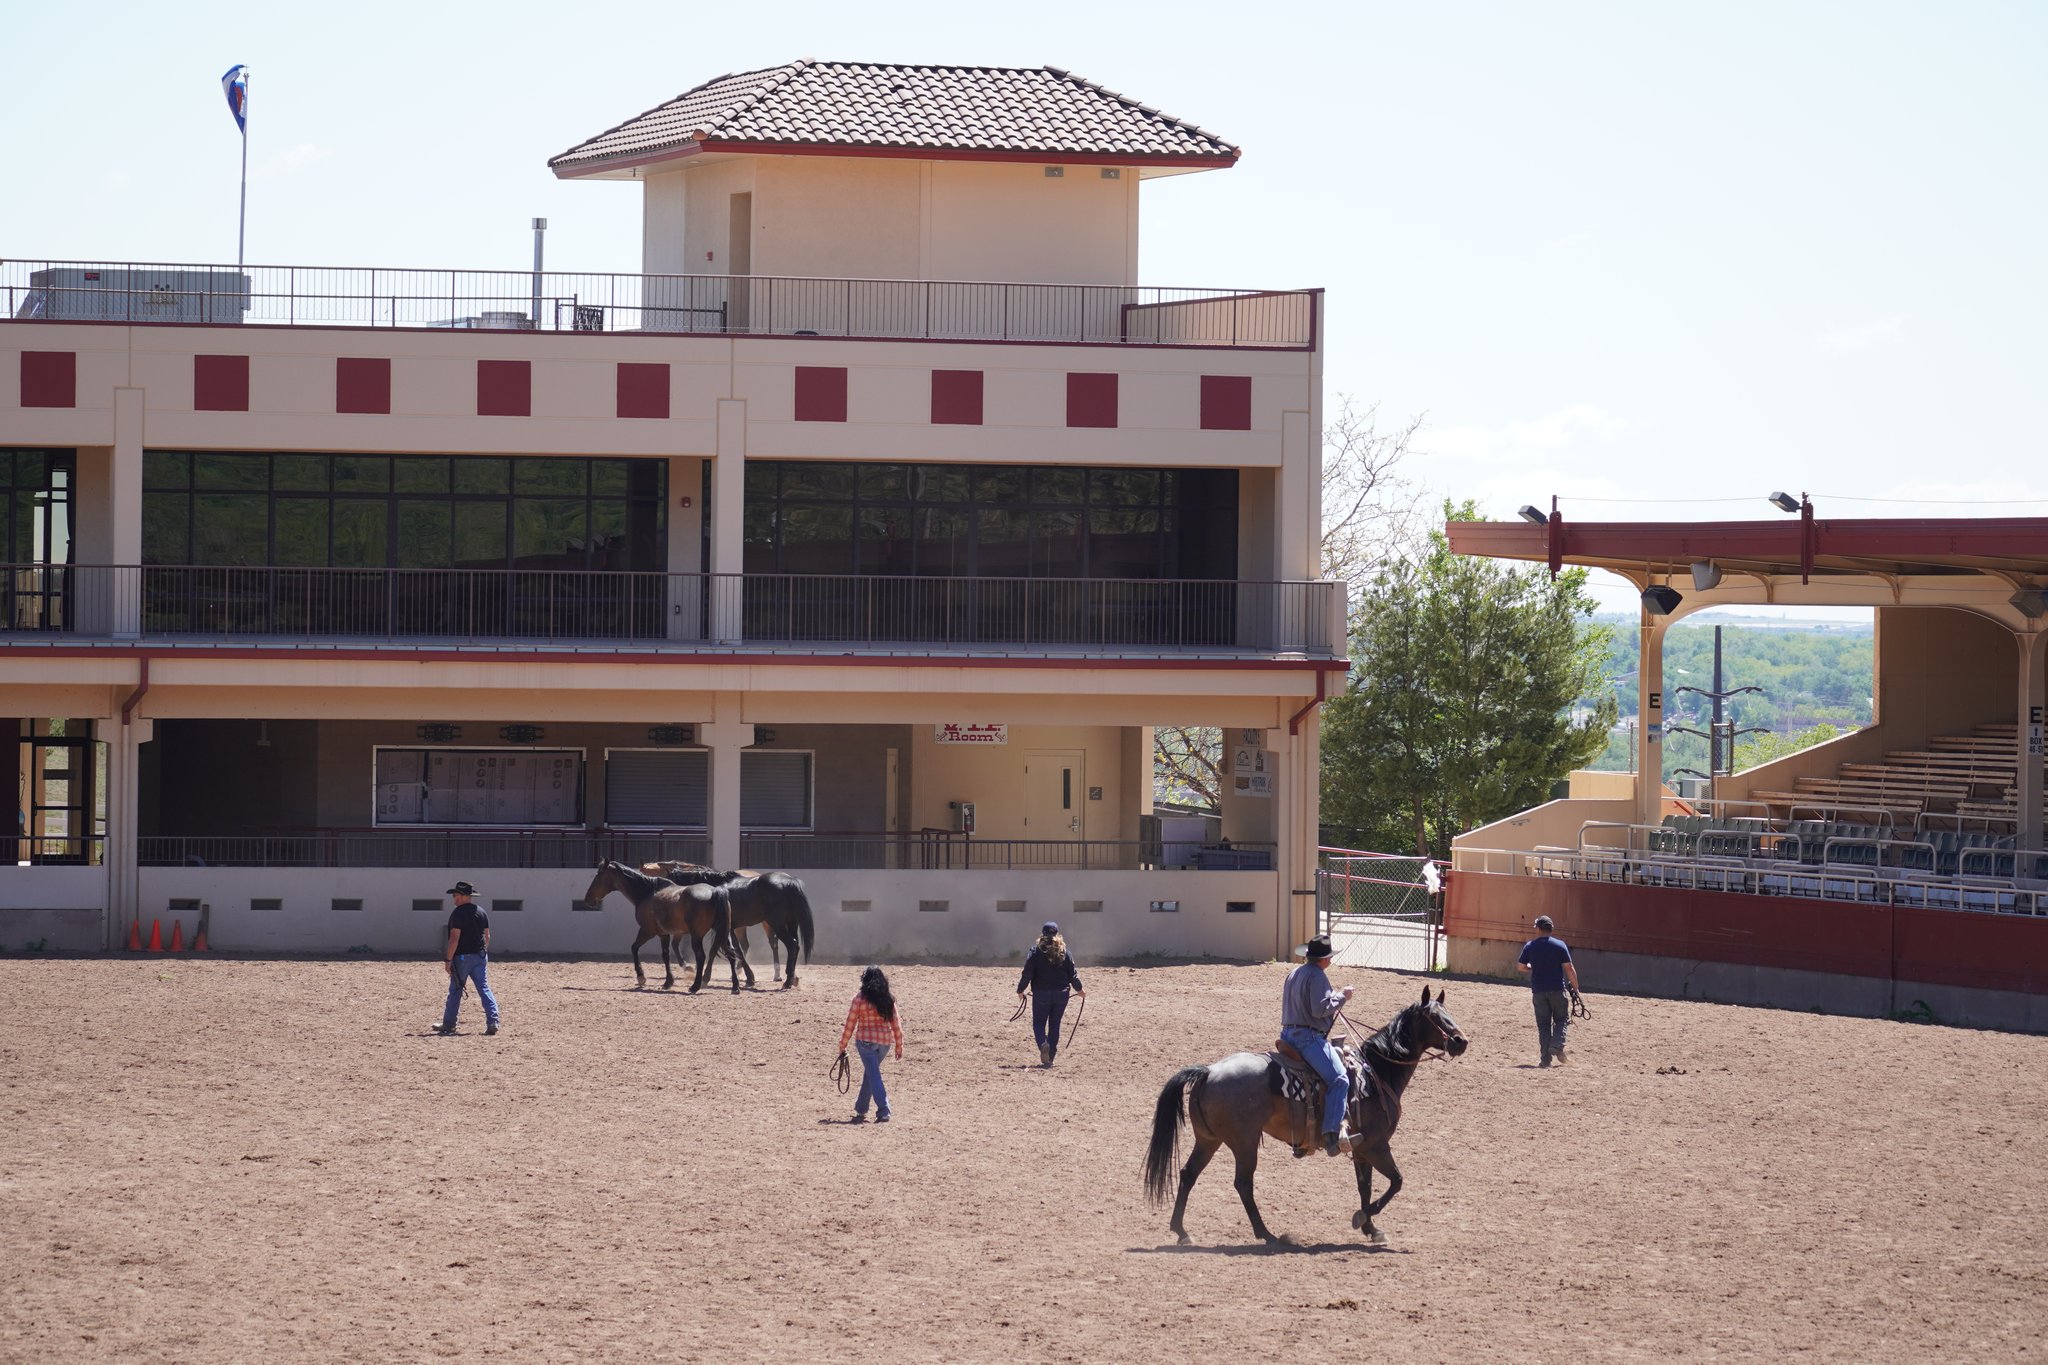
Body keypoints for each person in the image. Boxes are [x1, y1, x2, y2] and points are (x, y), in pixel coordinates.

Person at [1281, 935, 1355, 1156]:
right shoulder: (1317, 976)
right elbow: (1319, 1009)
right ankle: (1331, 1134)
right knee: (1340, 1079)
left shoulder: (1294, 973)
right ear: (1323, 959)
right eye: (1329, 957)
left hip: (1287, 1036)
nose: (1330, 961)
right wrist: (1343, 996)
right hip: (1307, 1039)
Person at [837, 966, 904, 1123]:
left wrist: (843, 1044)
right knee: (871, 1072)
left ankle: (883, 1110)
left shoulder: (859, 998)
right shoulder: (888, 998)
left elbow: (850, 1023)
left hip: (866, 1042)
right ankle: (861, 1108)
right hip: (884, 1043)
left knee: (873, 1074)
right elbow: (896, 1023)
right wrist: (899, 1045)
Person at [1016, 920, 1085, 1067]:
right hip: (1062, 994)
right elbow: (1073, 975)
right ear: (1057, 934)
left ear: (1042, 935)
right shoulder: (1065, 952)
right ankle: (1050, 1058)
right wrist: (1079, 990)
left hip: (1041, 994)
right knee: (1055, 1024)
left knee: (1039, 1023)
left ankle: (1043, 1044)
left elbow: (1027, 973)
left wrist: (1021, 989)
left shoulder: (1035, 952)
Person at [436, 881, 500, 1037]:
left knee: (456, 990)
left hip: (462, 957)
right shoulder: (481, 912)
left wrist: (448, 959)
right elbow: (487, 936)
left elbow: (454, 939)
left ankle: (449, 1024)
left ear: (463, 896)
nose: (454, 898)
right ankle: (493, 1021)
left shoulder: (458, 913)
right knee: (484, 988)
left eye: (455, 895)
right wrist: (483, 951)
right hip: (480, 956)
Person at [1517, 914, 1579, 1067]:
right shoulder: (1560, 945)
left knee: (1543, 1025)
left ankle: (1545, 1060)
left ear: (1538, 929)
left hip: (1538, 991)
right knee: (1561, 1019)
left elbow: (1520, 967)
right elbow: (1569, 968)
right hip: (1557, 989)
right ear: (1551, 929)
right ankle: (1557, 1045)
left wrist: (1532, 967)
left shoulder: (1530, 946)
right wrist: (1576, 988)